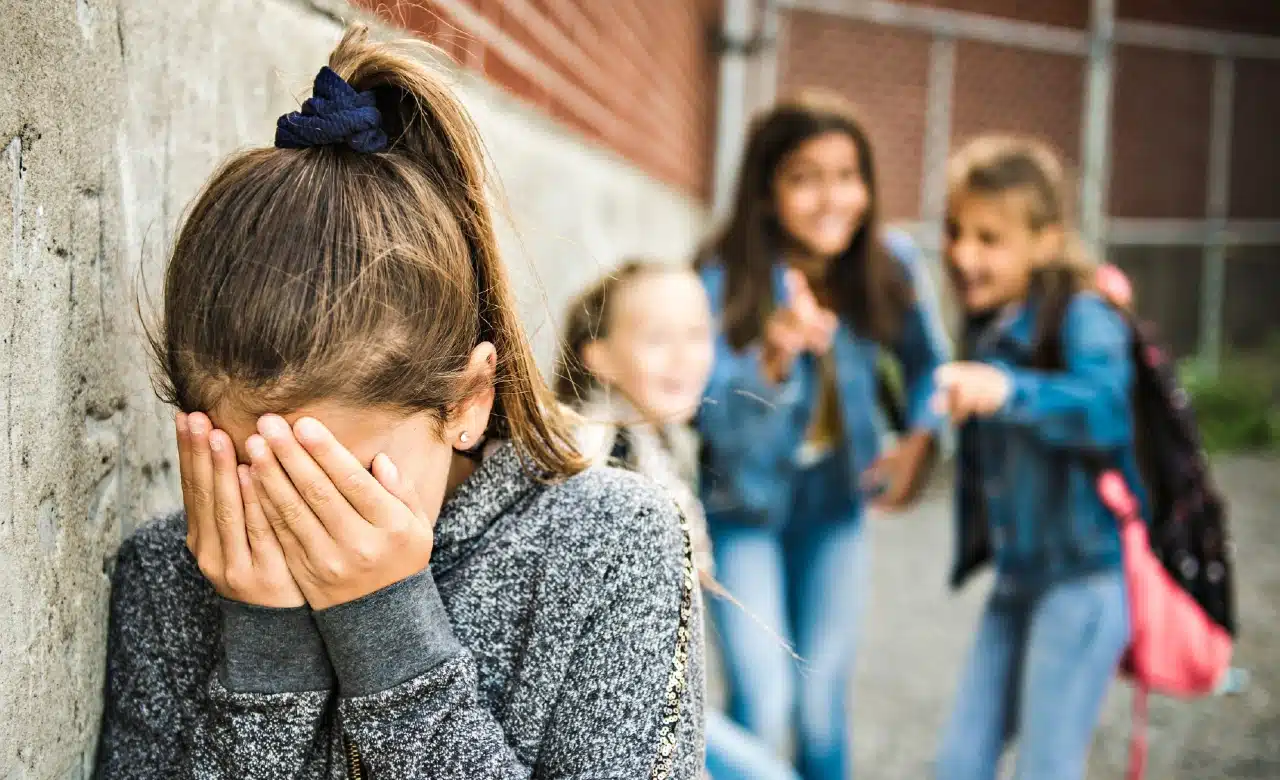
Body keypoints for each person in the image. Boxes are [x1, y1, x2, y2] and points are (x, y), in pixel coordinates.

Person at [93, 25, 703, 779]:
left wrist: (391, 642)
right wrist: (263, 662)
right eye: (254, 472)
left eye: (338, 480)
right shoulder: (168, 575)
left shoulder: (610, 545)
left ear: (468, 402)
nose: (299, 519)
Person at [694, 91, 951, 778]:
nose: (832, 198)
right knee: (764, 701)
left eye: (847, 175)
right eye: (805, 178)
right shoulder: (724, 276)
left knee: (819, 709)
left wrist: (921, 438)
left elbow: (931, 367)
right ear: (766, 190)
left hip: (836, 507)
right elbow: (709, 415)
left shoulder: (889, 263)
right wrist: (772, 361)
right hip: (742, 508)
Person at [933, 136, 1138, 780]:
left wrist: (1008, 391)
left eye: (989, 239)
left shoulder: (1084, 316)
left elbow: (1108, 410)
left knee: (1046, 768)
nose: (963, 254)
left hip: (1082, 582)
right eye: (956, 232)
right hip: (1017, 579)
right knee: (959, 765)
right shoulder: (990, 322)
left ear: (1046, 242)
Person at [555, 260, 801, 780]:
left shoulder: (650, 440)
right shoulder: (597, 458)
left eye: (697, 334)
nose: (684, 357)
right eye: (657, 338)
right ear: (599, 357)